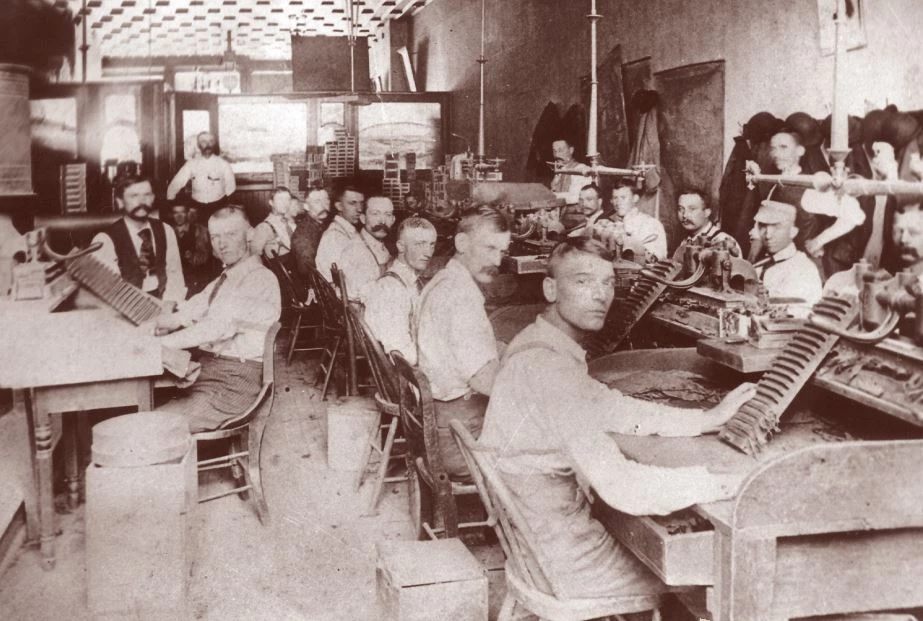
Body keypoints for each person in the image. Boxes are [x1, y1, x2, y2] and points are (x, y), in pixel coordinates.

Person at [478, 237, 755, 601]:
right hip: (566, 562)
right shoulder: (549, 369)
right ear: (550, 288)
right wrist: (726, 482)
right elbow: (623, 487)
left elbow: (610, 406)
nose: (600, 295)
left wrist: (705, 419)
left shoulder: (538, 343)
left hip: (538, 541)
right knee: (716, 576)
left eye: (608, 282)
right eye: (582, 281)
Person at [156, 206, 281, 432]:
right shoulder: (228, 277)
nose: (221, 244)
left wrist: (156, 344)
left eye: (231, 234)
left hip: (233, 385)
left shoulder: (259, 279)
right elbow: (194, 308)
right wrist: (159, 322)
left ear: (250, 234)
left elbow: (215, 328)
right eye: (215, 237)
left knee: (151, 426)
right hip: (213, 373)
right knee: (145, 404)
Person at [416, 206, 511, 478]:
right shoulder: (461, 298)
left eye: (502, 251)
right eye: (490, 248)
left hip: (442, 423)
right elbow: (485, 382)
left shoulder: (444, 280)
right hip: (461, 438)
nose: (498, 260)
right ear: (461, 243)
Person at [92, 174, 186, 305]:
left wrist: (168, 307)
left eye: (147, 195)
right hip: (127, 308)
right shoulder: (105, 240)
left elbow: (175, 277)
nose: (142, 201)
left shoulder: (165, 230)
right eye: (134, 196)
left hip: (165, 304)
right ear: (120, 202)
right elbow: (110, 292)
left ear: (153, 198)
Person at [363, 217, 437, 365]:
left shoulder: (409, 280)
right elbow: (401, 354)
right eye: (420, 244)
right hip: (409, 376)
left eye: (431, 245)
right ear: (401, 246)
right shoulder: (392, 289)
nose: (428, 253)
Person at [753, 200, 823, 315]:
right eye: (762, 226)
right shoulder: (760, 265)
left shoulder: (803, 270)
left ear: (793, 231)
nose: (768, 235)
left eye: (777, 227)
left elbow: (797, 318)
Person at [166, 131, 236, 220]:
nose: (207, 145)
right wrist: (169, 203)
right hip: (197, 208)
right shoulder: (191, 164)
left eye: (211, 141)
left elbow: (231, 188)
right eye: (203, 142)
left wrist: (228, 209)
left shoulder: (223, 164)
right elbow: (176, 183)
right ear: (198, 145)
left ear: (214, 144)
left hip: (218, 206)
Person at [337, 196, 395, 301]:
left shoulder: (378, 244)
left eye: (388, 214)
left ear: (393, 220)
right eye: (375, 214)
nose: (382, 221)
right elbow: (363, 294)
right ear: (363, 218)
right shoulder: (356, 250)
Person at [315, 184, 364, 281]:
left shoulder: (347, 230)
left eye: (361, 203)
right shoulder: (334, 237)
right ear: (339, 206)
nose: (359, 209)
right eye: (352, 203)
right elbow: (339, 280)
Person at [610, 181, 667, 260]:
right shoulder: (610, 223)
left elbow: (656, 258)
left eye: (623, 198)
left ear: (635, 198)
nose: (618, 202)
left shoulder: (650, 224)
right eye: (615, 198)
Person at [676, 188, 742, 256]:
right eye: (680, 209)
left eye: (692, 209)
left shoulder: (723, 241)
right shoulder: (686, 241)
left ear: (707, 212)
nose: (684, 215)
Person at [170, 203, 213, 297]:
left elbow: (205, 257)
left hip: (197, 281)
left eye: (182, 212)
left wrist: (191, 257)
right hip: (175, 282)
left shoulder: (200, 230)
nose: (179, 216)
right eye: (176, 213)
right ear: (171, 214)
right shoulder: (167, 232)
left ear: (188, 213)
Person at [291, 186, 332, 278]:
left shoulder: (323, 224)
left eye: (326, 200)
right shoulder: (303, 234)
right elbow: (307, 271)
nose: (323, 205)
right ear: (306, 206)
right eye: (317, 201)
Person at [250, 187, 299, 261]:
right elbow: (254, 256)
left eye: (287, 199)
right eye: (280, 199)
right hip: (279, 269)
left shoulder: (289, 223)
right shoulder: (264, 227)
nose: (285, 203)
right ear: (271, 203)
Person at [549, 138, 593, 206]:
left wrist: (550, 196)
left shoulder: (581, 169)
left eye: (560, 150)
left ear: (571, 150)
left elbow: (575, 197)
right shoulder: (559, 171)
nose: (557, 155)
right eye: (554, 151)